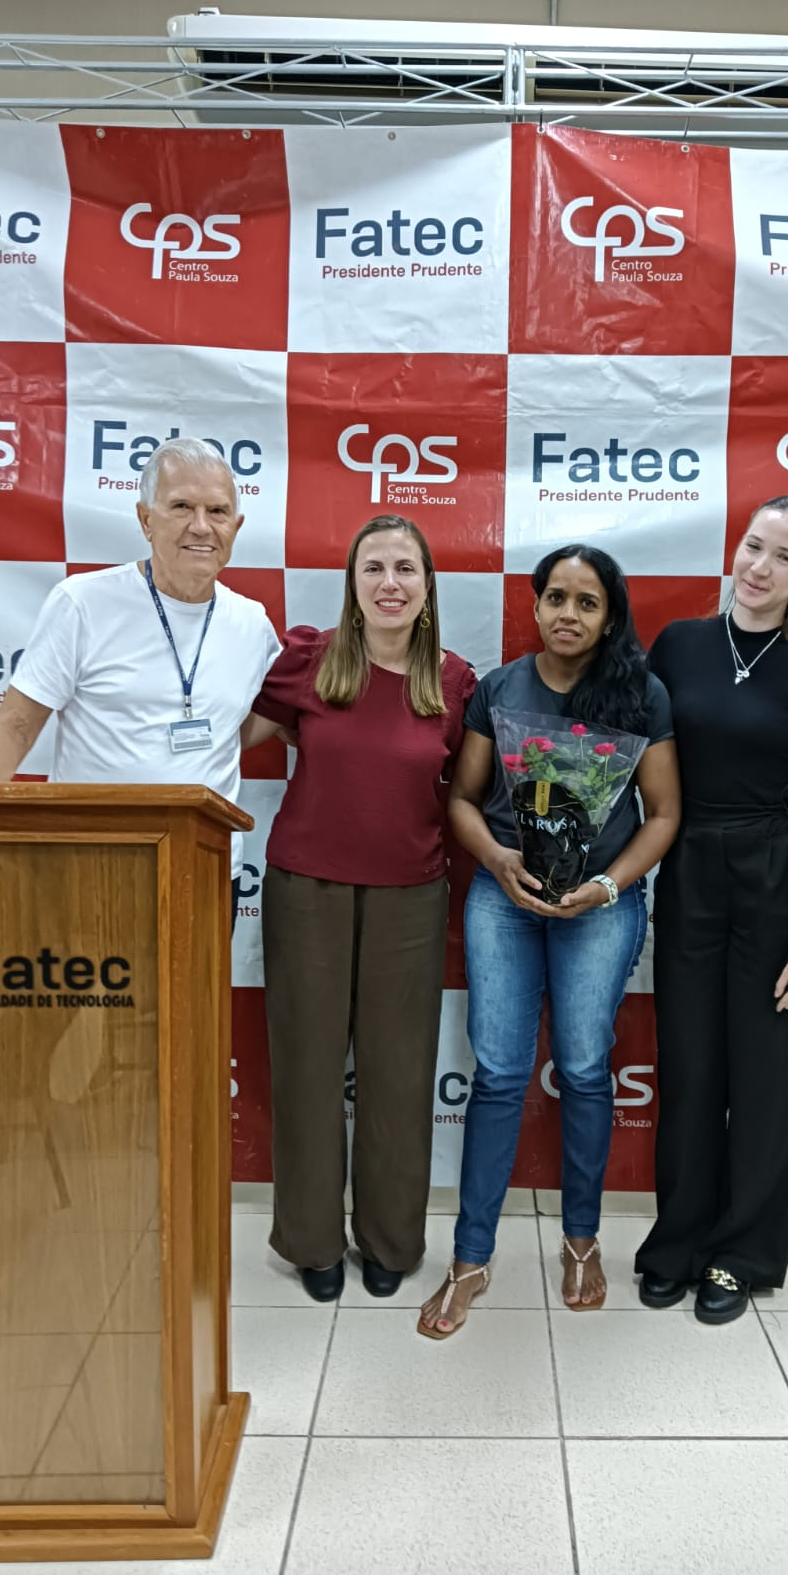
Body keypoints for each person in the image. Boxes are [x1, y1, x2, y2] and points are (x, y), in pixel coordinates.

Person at [417, 545, 681, 1339]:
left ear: (610, 616)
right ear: (534, 606)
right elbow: (463, 800)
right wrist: (498, 861)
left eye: (587, 601)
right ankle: (470, 1259)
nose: (569, 613)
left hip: (600, 906)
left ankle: (581, 1242)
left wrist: (608, 886)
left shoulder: (642, 695)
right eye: (556, 597)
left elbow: (665, 814)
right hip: (504, 900)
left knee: (586, 1069)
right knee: (499, 1074)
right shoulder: (500, 690)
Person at [242, 515, 476, 1303]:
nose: (389, 583)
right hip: (305, 889)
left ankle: (389, 1241)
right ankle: (311, 1242)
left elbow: (471, 792)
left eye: (405, 568)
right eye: (373, 567)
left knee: (398, 1074)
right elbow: (232, 739)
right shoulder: (308, 661)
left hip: (411, 895)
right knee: (308, 1069)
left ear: (427, 586)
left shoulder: (453, 681)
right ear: (351, 582)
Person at [635, 494, 788, 1325]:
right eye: (754, 546)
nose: (760, 567)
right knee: (691, 1069)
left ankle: (742, 1256)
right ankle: (679, 1242)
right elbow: (636, 759)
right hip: (692, 866)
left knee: (769, 1078)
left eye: (784, 556)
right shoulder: (680, 645)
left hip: (779, 873)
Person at [0, 438, 280, 923]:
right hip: (89, 863)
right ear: (146, 519)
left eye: (217, 511)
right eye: (181, 507)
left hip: (206, 871)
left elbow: (252, 722)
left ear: (236, 526)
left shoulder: (252, 623)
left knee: (199, 981)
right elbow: (16, 725)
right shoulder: (83, 603)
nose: (201, 526)